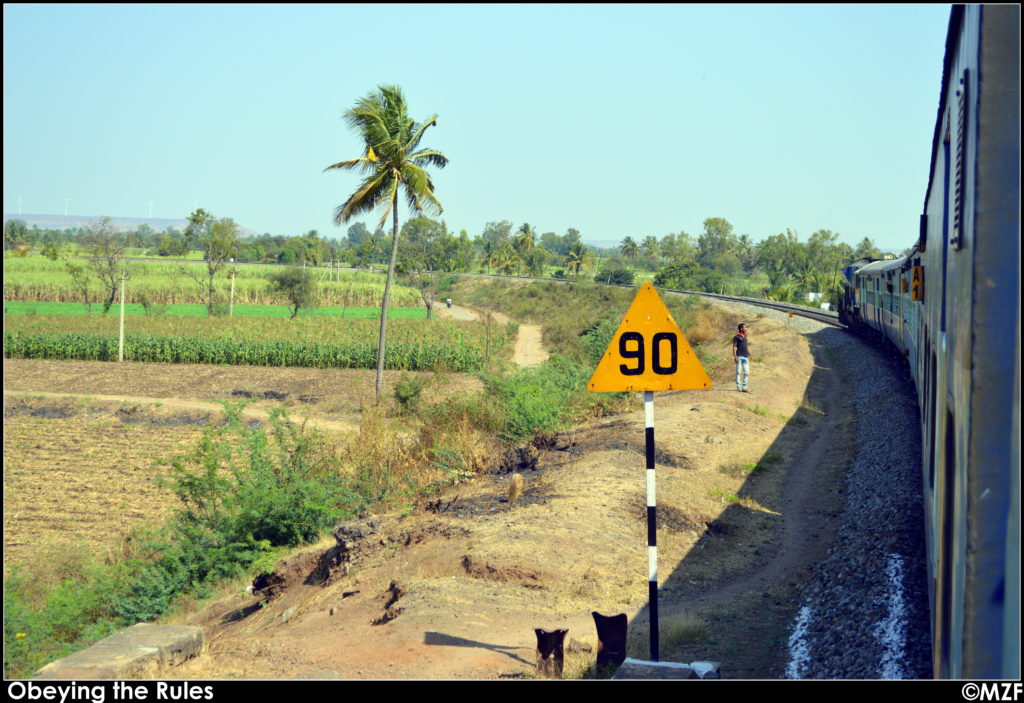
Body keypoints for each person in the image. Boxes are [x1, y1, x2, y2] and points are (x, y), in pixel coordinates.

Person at [732, 323, 750, 392]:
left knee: (746, 372)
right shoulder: (736, 337)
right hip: (739, 356)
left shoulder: (745, 337)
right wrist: (735, 356)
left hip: (745, 357)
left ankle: (744, 388)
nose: (746, 328)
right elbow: (734, 347)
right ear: (741, 329)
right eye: (745, 327)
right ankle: (738, 387)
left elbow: (746, 346)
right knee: (738, 372)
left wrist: (749, 354)